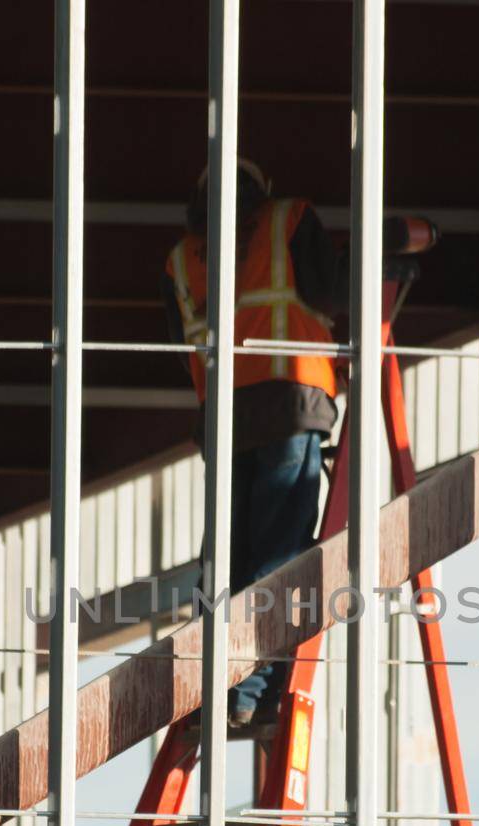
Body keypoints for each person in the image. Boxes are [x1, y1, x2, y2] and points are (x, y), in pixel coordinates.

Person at [161, 159, 345, 730]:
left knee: (227, 557)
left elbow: (180, 338)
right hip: (289, 403)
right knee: (277, 552)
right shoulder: (287, 221)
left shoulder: (182, 259)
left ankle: (215, 683)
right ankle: (253, 687)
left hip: (225, 420)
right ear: (259, 190)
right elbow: (335, 291)